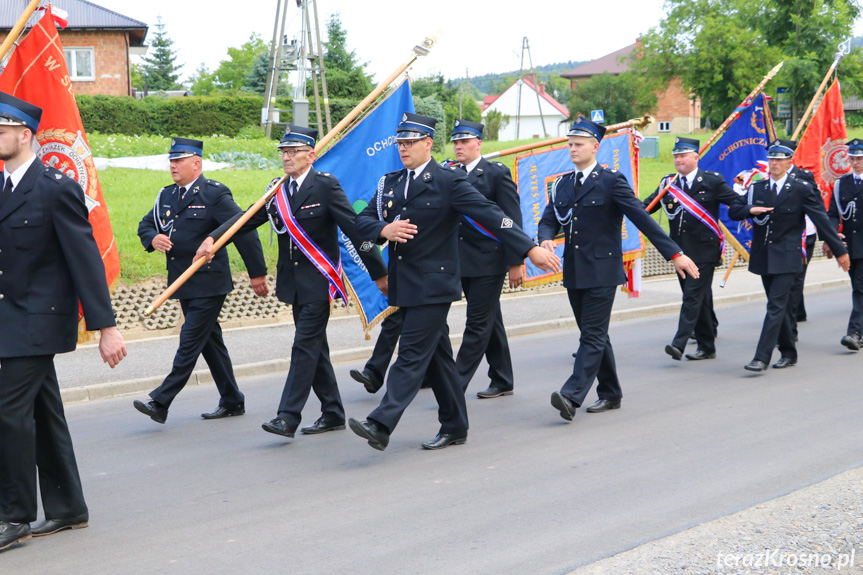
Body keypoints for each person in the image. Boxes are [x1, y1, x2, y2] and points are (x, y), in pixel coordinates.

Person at [349, 113, 560, 451]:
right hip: (405, 283)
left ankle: (381, 422)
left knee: (412, 354)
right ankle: (455, 426)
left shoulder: (448, 181)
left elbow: (492, 214)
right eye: (400, 143)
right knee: (440, 359)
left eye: (410, 142)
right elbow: (362, 219)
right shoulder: (389, 183)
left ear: (428, 143)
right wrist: (382, 230)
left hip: (435, 285)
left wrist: (528, 249)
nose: (403, 149)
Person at [197, 125, 387, 439]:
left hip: (318, 281)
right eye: (283, 152)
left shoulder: (325, 186)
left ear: (310, 155)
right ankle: (332, 412)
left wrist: (378, 273)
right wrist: (213, 239)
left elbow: (355, 230)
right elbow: (247, 218)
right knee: (315, 349)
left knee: (303, 348)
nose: (286, 157)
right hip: (293, 284)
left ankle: (288, 416)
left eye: (293, 152)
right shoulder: (278, 190)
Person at [0, 92, 127, 551]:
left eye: (1, 129)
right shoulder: (1, 187)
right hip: (8, 318)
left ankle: (12, 516)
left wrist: (105, 326)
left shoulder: (56, 187)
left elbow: (85, 260)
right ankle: (68, 507)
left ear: (24, 133)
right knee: (41, 410)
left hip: (38, 321)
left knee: (7, 412)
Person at [538, 117, 699, 422]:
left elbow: (641, 217)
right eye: (570, 144)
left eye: (579, 144)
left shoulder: (611, 180)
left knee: (593, 334)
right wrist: (545, 240)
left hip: (602, 270)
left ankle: (572, 395)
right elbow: (549, 219)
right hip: (574, 270)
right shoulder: (562, 183)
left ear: (595, 147)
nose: (572, 149)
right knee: (594, 333)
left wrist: (674, 254)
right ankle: (611, 392)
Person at [349, 119, 524, 399]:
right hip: (452, 260)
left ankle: (458, 382)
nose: (459, 146)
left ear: (478, 143)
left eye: (465, 141)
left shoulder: (492, 174)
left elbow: (505, 218)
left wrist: (518, 258)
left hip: (487, 261)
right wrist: (384, 230)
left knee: (479, 323)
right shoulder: (439, 173)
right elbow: (368, 220)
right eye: (455, 142)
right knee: (487, 321)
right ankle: (500, 377)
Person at [133, 138, 268, 424]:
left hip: (209, 282)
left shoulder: (214, 194)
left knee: (190, 339)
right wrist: (152, 238)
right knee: (210, 342)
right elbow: (146, 224)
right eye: (171, 161)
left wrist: (257, 272)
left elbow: (241, 228)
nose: (173, 165)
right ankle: (232, 399)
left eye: (178, 160)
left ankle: (161, 400)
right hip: (182, 283)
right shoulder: (166, 196)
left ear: (196, 163)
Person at [728, 140, 849, 372]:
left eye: (780, 159)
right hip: (764, 256)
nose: (774, 163)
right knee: (778, 306)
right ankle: (789, 352)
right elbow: (734, 210)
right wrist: (749, 210)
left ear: (789, 161)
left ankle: (761, 357)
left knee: (775, 306)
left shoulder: (800, 188)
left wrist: (839, 250)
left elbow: (821, 220)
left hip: (789, 256)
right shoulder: (757, 188)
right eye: (771, 159)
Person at [643, 137, 740, 361]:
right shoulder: (668, 184)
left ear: (696, 157)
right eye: (676, 156)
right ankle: (707, 347)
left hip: (705, 253)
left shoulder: (712, 181)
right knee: (701, 298)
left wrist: (751, 208)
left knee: (692, 296)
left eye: (683, 155)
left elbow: (735, 202)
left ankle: (679, 343)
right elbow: (645, 207)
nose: (679, 159)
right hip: (680, 253)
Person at [826, 138, 863, 351]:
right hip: (851, 246)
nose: (856, 162)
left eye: (860, 158)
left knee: (859, 288)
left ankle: (854, 332)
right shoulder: (842, 183)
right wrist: (832, 236)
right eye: (853, 158)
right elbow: (832, 214)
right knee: (858, 287)